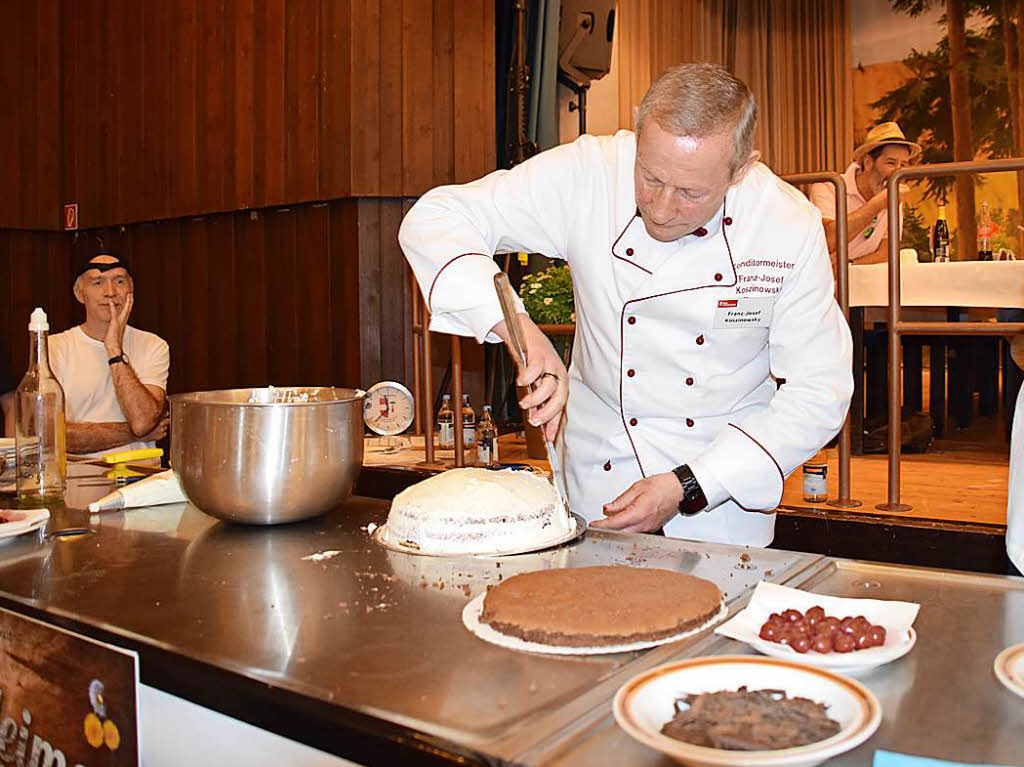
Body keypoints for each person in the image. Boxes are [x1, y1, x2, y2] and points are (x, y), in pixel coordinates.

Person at [399, 63, 852, 546]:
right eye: (651, 178)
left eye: (690, 193)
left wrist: (690, 483)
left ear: (741, 168)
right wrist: (520, 331)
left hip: (722, 493)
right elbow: (436, 217)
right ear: (638, 132)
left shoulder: (785, 225)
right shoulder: (590, 173)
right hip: (602, 476)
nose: (661, 208)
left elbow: (817, 392)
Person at [49, 254, 169, 457]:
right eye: (97, 283)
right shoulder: (54, 348)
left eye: (119, 281)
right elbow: (53, 435)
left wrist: (114, 350)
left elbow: (142, 422)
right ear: (80, 293)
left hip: (139, 478)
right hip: (77, 479)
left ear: (131, 289)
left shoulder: (153, 345)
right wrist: (132, 435)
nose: (110, 292)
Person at [808, 122, 920, 269]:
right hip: (823, 284)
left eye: (903, 165)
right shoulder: (829, 186)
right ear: (868, 162)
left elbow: (887, 251)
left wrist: (849, 267)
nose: (897, 173)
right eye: (891, 163)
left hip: (864, 280)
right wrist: (876, 205)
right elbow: (829, 241)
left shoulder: (892, 192)